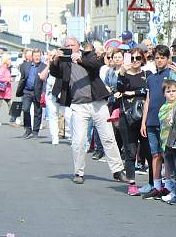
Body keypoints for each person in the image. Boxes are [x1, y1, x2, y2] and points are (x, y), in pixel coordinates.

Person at [49, 38, 129, 185]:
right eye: (67, 46)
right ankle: (78, 172)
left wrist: (79, 60)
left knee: (108, 138)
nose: (69, 48)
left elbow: (97, 65)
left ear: (78, 46)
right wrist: (55, 59)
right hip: (78, 105)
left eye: (72, 45)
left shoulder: (88, 55)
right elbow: (54, 72)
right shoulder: (64, 62)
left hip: (97, 103)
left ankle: (118, 170)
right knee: (78, 141)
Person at [141, 45, 176, 199]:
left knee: (167, 154)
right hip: (151, 120)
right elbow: (148, 100)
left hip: (166, 120)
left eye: (162, 57)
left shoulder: (170, 74)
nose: (159, 60)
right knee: (155, 154)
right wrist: (144, 122)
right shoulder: (150, 77)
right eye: (157, 57)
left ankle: (169, 184)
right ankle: (156, 185)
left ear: (168, 58)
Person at [116, 47, 151, 195]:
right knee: (130, 151)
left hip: (144, 117)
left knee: (149, 151)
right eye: (133, 58)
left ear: (143, 59)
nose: (135, 61)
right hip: (127, 116)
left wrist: (134, 92)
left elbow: (149, 91)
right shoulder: (123, 74)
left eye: (138, 58)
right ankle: (131, 183)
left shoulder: (147, 74)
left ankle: (152, 183)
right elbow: (119, 89)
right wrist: (122, 72)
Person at [17, 49, 47, 139]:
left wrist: (43, 92)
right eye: (35, 55)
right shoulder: (25, 66)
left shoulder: (44, 66)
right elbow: (22, 78)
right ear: (32, 57)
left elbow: (45, 81)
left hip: (38, 91)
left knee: (37, 112)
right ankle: (28, 129)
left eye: (39, 55)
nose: (37, 57)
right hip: (27, 91)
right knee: (25, 109)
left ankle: (35, 131)